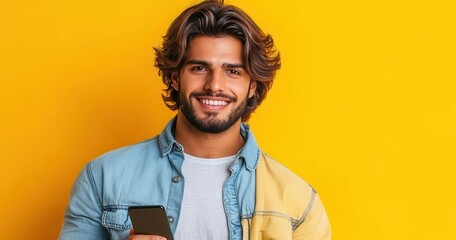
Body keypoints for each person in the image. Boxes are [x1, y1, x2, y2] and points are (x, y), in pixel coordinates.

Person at [59, 0, 331, 239]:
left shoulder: (298, 203)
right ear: (175, 77)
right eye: (199, 68)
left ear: (252, 86)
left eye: (233, 71)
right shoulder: (103, 178)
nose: (214, 85)